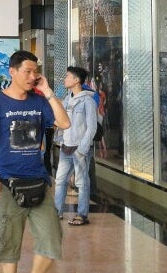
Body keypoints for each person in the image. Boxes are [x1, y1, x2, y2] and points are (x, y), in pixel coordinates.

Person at [0, 50, 71, 273]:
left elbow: (64, 123)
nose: (32, 76)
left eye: (35, 72)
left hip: (38, 181)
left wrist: (48, 92)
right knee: (8, 246)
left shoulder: (39, 102)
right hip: (6, 183)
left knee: (51, 242)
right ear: (12, 71)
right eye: (27, 71)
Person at [53, 66, 97, 226]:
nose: (65, 79)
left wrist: (83, 149)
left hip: (79, 148)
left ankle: (82, 214)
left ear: (76, 80)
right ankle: (57, 211)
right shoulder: (67, 99)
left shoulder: (88, 101)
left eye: (67, 76)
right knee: (60, 180)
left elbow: (92, 127)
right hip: (66, 146)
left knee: (81, 182)